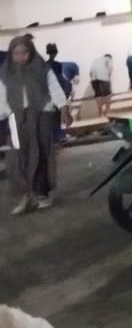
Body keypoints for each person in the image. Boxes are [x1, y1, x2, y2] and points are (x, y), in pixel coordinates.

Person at [2, 35, 71, 214]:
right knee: (18, 157)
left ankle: (41, 194)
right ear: (11, 54)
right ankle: (24, 196)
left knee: (40, 152)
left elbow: (54, 87)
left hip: (42, 114)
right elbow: (1, 97)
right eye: (16, 53)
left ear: (31, 52)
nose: (21, 57)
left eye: (24, 53)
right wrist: (7, 114)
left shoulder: (42, 68)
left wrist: (63, 107)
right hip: (17, 118)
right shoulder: (5, 73)